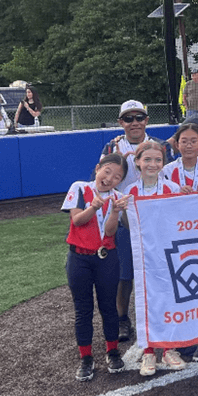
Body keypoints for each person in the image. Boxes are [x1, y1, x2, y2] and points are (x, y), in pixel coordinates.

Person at [100, 100, 176, 345]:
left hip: (157, 220)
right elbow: (101, 179)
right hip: (126, 218)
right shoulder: (112, 146)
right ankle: (122, 318)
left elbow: (170, 173)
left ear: (146, 120)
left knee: (162, 271)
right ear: (121, 122)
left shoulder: (159, 145)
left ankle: (165, 315)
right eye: (128, 118)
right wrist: (119, 161)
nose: (134, 122)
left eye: (139, 117)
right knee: (124, 275)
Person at [61, 152, 131, 381]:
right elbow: (77, 221)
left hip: (106, 257)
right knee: (83, 309)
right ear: (98, 168)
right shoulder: (80, 188)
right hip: (79, 258)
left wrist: (115, 211)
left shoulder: (118, 197)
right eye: (107, 171)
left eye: (117, 177)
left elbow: (110, 232)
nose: (109, 178)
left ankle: (112, 351)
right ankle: (86, 357)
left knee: (109, 306)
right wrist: (92, 207)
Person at [121, 141, 188, 377]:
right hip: (143, 254)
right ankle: (149, 351)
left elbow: (180, 219)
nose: (152, 164)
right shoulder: (130, 191)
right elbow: (127, 225)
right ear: (137, 162)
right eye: (147, 159)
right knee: (146, 299)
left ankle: (169, 348)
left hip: (168, 252)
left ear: (163, 163)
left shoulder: (172, 188)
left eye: (158, 160)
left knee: (171, 298)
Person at [162, 123, 198, 193]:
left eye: (193, 141)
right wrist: (177, 192)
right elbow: (163, 195)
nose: (189, 146)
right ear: (177, 145)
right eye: (184, 142)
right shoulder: (167, 170)